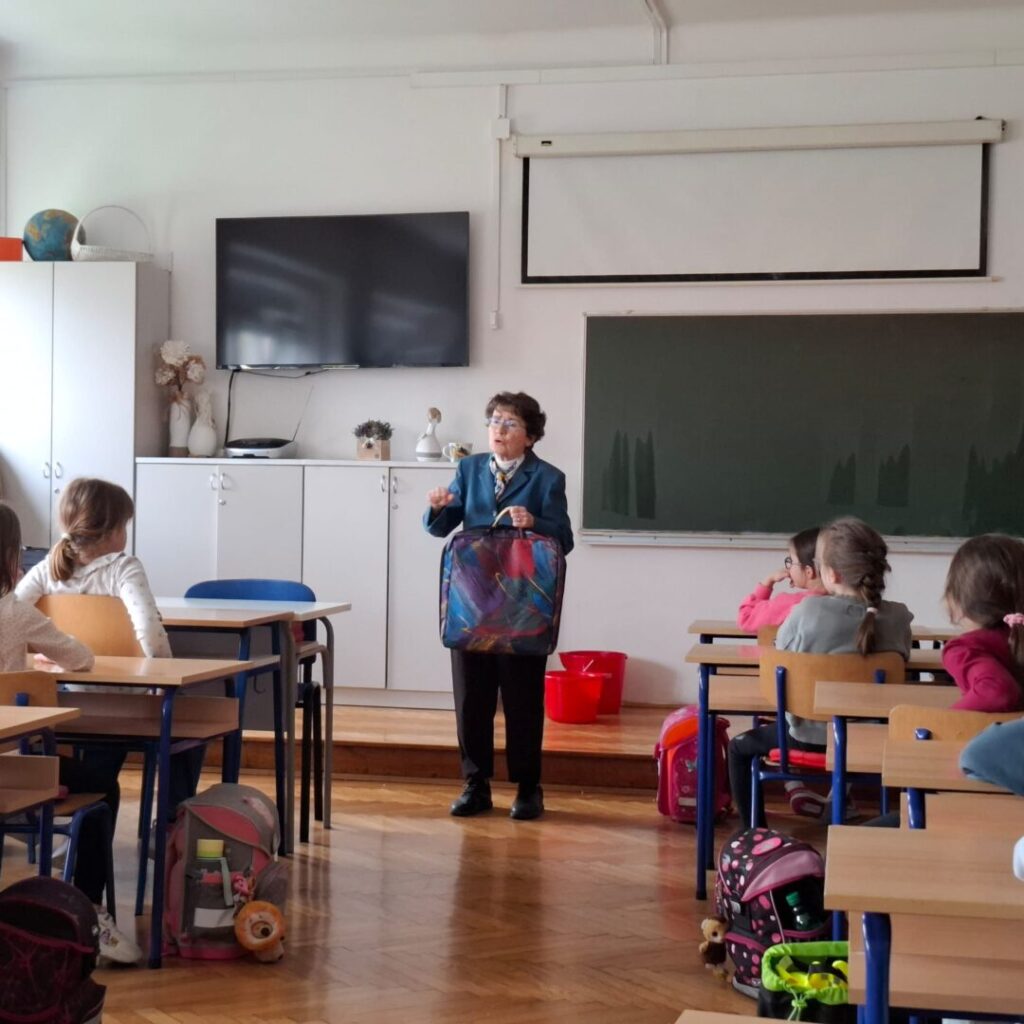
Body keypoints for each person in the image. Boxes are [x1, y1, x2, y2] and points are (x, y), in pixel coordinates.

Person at [0, 501, 141, 964]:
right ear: (11, 556)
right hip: (14, 770)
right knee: (103, 789)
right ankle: (88, 911)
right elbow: (80, 657)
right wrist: (35, 659)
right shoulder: (13, 612)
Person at [16, 478, 203, 825]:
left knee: (99, 750)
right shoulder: (123, 568)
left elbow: (10, 616)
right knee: (192, 722)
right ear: (112, 531)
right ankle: (170, 824)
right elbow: (149, 632)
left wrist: (46, 651)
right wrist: (165, 676)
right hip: (126, 702)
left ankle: (86, 825)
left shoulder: (47, 570)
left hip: (68, 703)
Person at [423, 392, 573, 821]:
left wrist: (535, 523)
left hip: (523, 606)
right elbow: (442, 527)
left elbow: (563, 539)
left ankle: (528, 787)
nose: (499, 430)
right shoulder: (469, 469)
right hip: (472, 604)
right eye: (494, 422)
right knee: (472, 696)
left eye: (509, 423)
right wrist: (437, 508)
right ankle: (476, 784)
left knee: (523, 698)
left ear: (530, 436)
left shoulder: (548, 478)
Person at [727, 517, 913, 828]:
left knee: (738, 748)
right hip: (871, 739)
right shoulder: (899, 617)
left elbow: (779, 659)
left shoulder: (806, 612)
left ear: (831, 573)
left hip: (806, 736)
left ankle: (753, 837)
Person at [736, 527, 826, 632]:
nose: (789, 567)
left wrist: (767, 583)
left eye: (791, 561)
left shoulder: (790, 604)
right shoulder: (841, 602)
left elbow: (746, 619)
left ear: (808, 572)